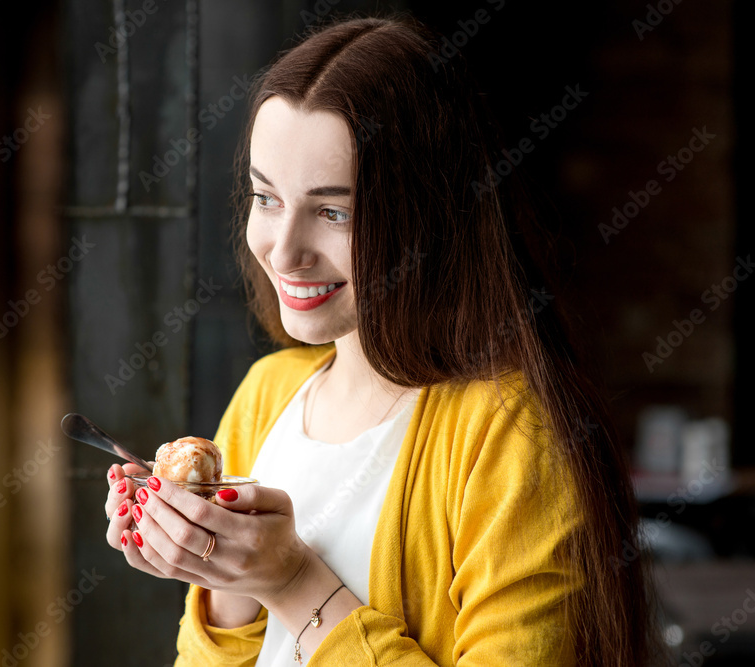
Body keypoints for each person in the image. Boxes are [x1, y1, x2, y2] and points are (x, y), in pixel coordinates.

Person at [104, 13, 661, 666]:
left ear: (428, 219)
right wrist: (221, 567)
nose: (284, 251)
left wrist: (292, 580)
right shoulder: (266, 394)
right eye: (267, 198)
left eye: (333, 210)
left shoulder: (509, 435)